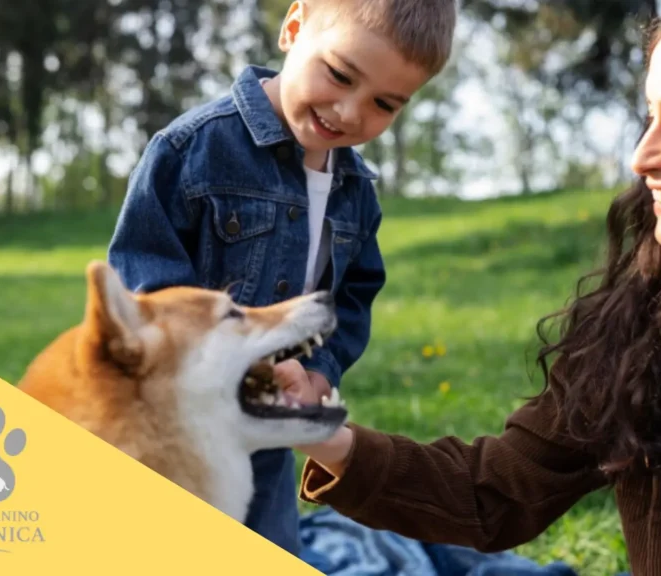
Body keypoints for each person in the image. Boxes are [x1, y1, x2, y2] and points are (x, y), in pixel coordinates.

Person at [295, 0, 661, 573]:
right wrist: (321, 433)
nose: (642, 156)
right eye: (650, 116)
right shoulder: (660, 321)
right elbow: (495, 492)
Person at [106, 0, 457, 557]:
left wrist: (317, 370)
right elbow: (146, 286)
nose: (348, 111)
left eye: (384, 104)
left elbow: (350, 297)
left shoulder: (357, 191)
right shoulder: (192, 151)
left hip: (263, 430)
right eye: (340, 74)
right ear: (293, 27)